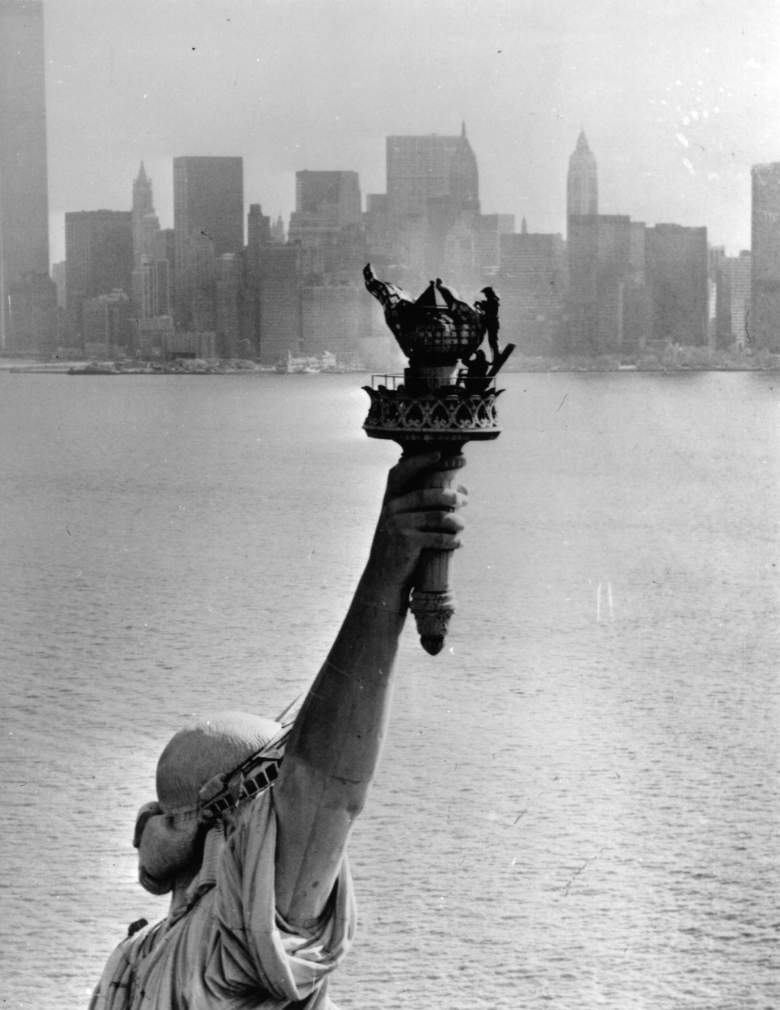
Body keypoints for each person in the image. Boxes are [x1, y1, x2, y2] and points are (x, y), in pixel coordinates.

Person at [90, 451, 467, 1010]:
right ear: (231, 820)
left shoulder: (142, 957)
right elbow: (327, 787)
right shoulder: (228, 947)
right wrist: (385, 576)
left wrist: (388, 566)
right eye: (272, 794)